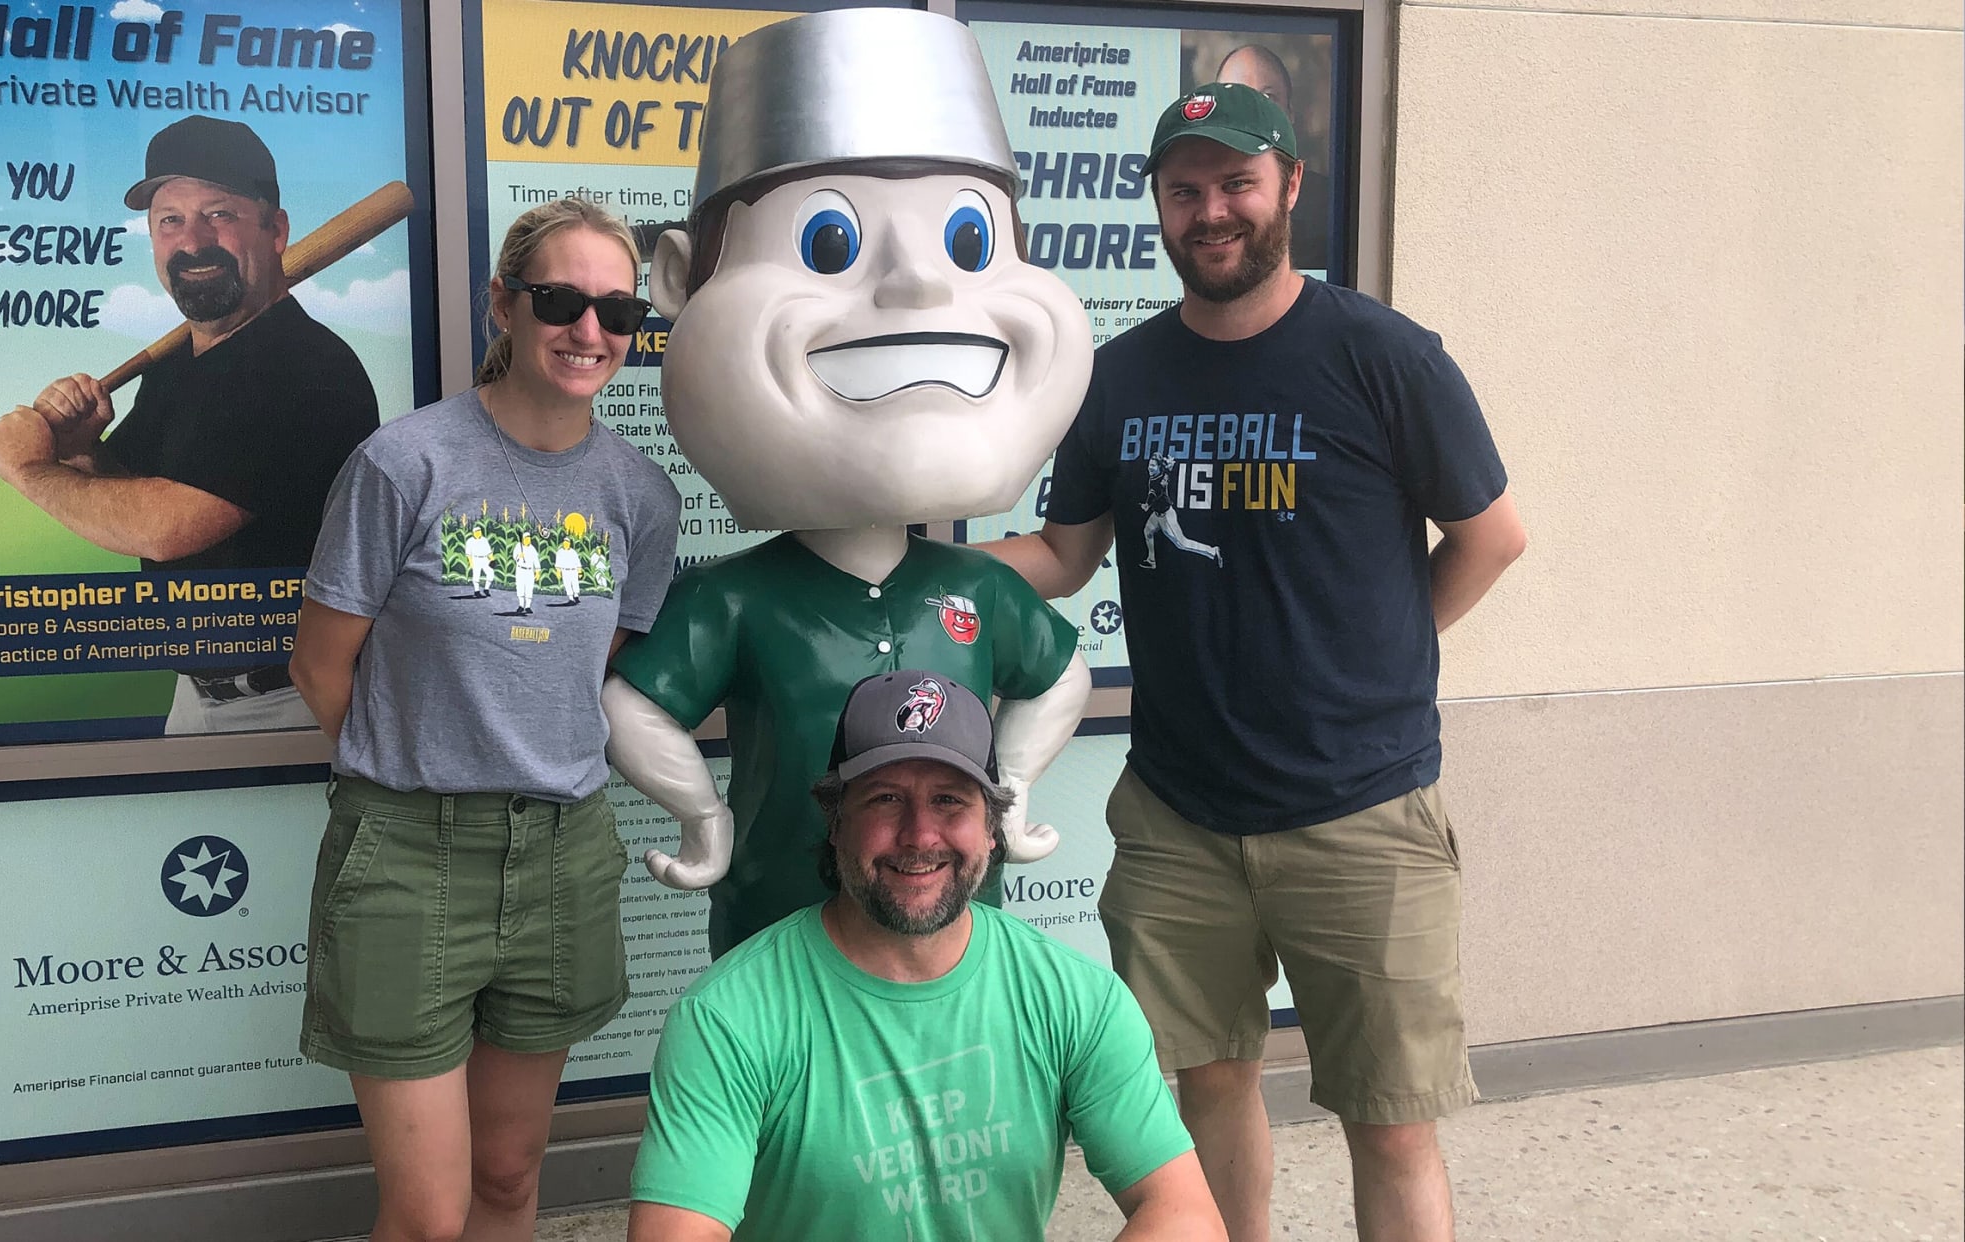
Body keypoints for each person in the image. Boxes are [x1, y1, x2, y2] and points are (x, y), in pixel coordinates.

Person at [989, 83, 1527, 1242]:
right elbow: (1068, 552)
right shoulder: (1120, 378)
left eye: (1235, 182)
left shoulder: (1382, 355)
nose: (1211, 211)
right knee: (1208, 1084)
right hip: (1183, 814)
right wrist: (928, 576)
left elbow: (1491, 537)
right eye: (1184, 191)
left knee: (1391, 1121)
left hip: (1363, 811)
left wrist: (1381, 652)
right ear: (1161, 209)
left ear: (1288, 185)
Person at [601, 7, 1097, 958]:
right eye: (828, 242)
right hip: (775, 934)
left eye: (966, 239)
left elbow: (1061, 675)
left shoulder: (978, 589)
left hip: (949, 936)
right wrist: (702, 815)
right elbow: (631, 703)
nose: (917, 286)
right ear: (679, 282)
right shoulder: (736, 599)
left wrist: (1015, 782)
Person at [287, 197, 680, 1242]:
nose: (589, 331)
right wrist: (415, 772)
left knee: (508, 1178)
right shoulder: (403, 465)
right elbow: (323, 666)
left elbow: (587, 668)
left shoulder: (639, 496)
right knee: (425, 1214)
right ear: (505, 304)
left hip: (563, 853)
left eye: (616, 310)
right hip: (411, 854)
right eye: (559, 301)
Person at [628, 671, 1225, 1242]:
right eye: (886, 799)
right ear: (835, 823)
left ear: (992, 828)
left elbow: (1184, 1215)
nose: (919, 835)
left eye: (949, 800)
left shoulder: (1074, 997)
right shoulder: (728, 1017)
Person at [0, 114, 380, 735]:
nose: (192, 242)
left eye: (219, 214)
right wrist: (85, 452)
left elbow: (166, 527)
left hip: (290, 701)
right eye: (170, 220)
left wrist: (29, 468)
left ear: (276, 230)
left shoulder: (303, 367)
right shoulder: (178, 362)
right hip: (198, 695)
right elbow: (132, 489)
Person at [1214, 46, 1331, 274]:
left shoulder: (1327, 205)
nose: (1252, 113)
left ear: (1290, 113)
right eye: (1235, 97)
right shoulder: (1191, 203)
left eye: (1268, 97)